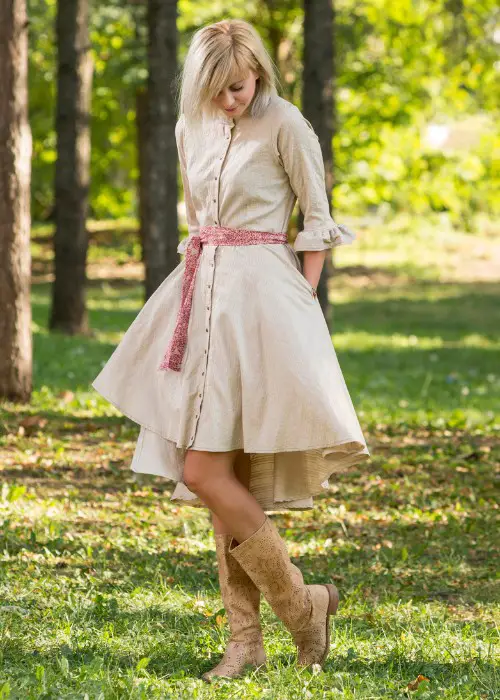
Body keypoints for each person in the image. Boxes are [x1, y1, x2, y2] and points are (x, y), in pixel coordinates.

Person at [92, 18, 370, 681]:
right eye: (217, 89)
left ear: (259, 75)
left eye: (240, 87)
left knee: (206, 474)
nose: (229, 100)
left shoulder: (287, 125)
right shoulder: (191, 126)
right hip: (202, 296)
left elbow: (316, 221)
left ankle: (302, 610)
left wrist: (300, 302)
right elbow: (199, 216)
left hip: (265, 308)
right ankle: (252, 640)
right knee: (220, 482)